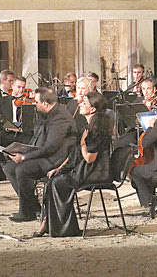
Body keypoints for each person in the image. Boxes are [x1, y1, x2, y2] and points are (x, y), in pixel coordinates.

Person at [33, 91, 112, 237]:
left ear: (93, 109)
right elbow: (73, 155)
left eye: (84, 103)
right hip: (83, 170)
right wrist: (60, 168)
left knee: (57, 183)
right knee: (51, 180)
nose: (80, 104)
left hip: (94, 172)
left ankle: (64, 229)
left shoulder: (97, 131)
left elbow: (89, 158)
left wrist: (83, 144)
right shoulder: (87, 127)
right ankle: (48, 224)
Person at [3, 87, 77, 222]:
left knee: (22, 169)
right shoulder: (48, 114)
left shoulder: (61, 118)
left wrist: (24, 157)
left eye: (36, 102)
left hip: (55, 160)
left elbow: (50, 148)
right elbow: (38, 139)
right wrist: (20, 150)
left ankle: (27, 212)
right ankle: (33, 206)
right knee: (9, 167)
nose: (34, 105)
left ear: (45, 104)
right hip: (45, 155)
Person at [0, 75, 34, 181]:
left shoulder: (29, 102)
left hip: (23, 134)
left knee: (33, 141)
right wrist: (6, 127)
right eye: (18, 87)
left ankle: (29, 171)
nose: (21, 90)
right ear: (12, 86)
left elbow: (33, 123)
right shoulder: (2, 101)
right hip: (7, 133)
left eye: (23, 87)